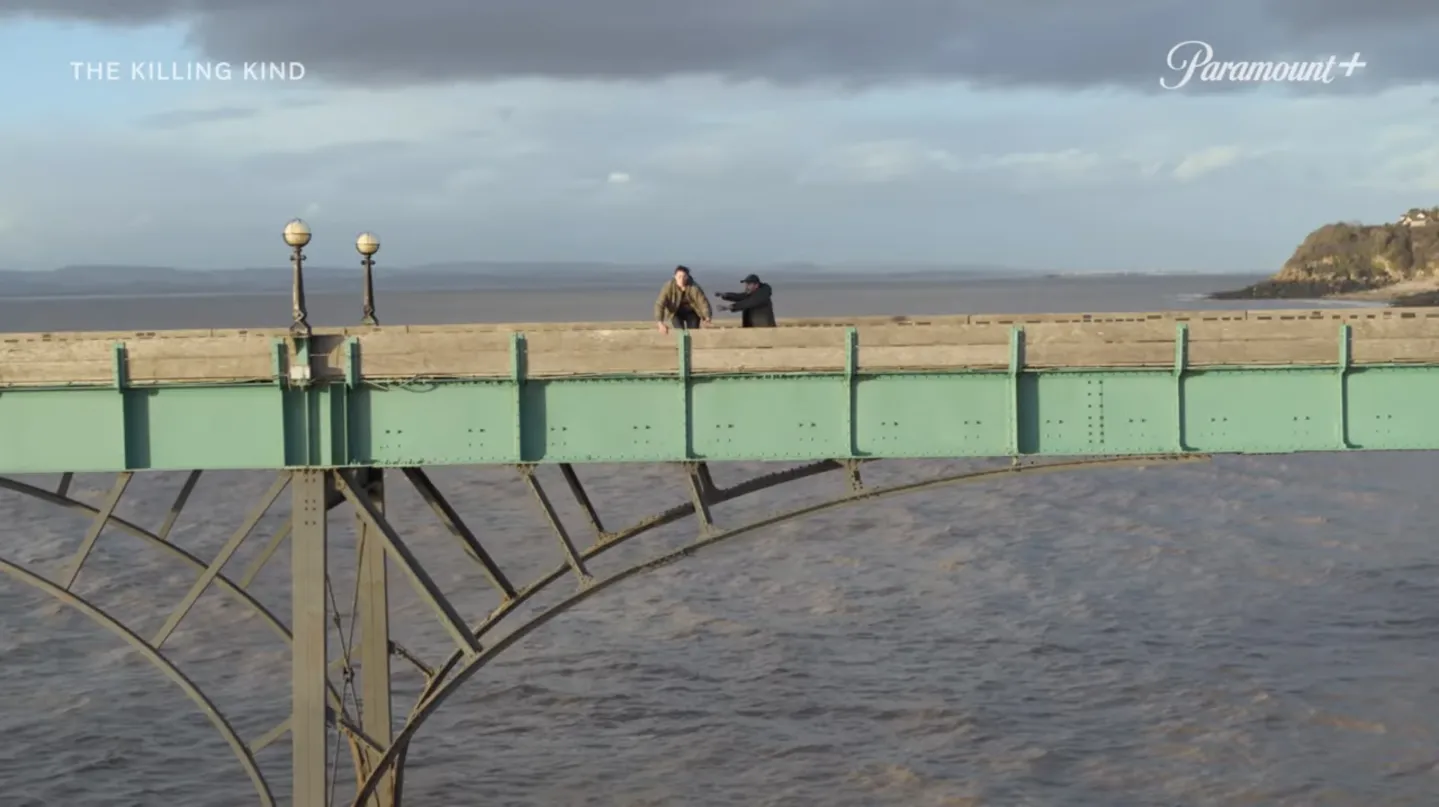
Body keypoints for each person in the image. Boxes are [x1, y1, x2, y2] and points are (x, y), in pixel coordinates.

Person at [653, 265, 712, 333]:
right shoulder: (668, 287)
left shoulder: (694, 287)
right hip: (675, 312)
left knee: (693, 332)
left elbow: (703, 302)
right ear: (675, 276)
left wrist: (707, 318)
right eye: (679, 277)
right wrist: (660, 323)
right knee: (680, 331)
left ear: (687, 277)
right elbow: (660, 304)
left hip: (691, 312)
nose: (681, 279)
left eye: (684, 277)